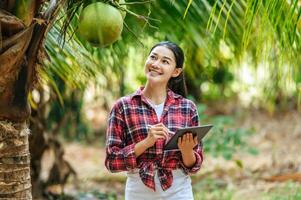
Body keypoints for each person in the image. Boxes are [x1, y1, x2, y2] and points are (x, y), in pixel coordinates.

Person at [105, 41, 204, 200]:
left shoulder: (187, 108)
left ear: (176, 71)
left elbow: (194, 166)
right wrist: (146, 142)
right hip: (138, 191)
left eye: (165, 61)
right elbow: (112, 161)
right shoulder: (123, 107)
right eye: (153, 57)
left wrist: (186, 150)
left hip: (179, 191)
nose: (156, 64)